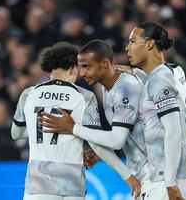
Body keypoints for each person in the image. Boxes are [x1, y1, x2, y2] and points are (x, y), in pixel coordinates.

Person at [38, 39, 147, 199]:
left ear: (104, 63)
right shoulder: (105, 88)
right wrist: (98, 153)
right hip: (142, 169)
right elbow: (123, 134)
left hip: (157, 170)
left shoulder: (126, 87)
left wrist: (73, 128)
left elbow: (116, 140)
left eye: (87, 66)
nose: (82, 73)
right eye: (80, 67)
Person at [10, 42, 103, 200]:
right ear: (74, 68)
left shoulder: (28, 94)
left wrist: (39, 126)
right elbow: (95, 139)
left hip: (39, 182)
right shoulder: (85, 97)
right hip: (72, 181)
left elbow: (16, 133)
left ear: (49, 69)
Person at [125, 21, 186, 200]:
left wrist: (170, 182)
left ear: (150, 44)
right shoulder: (174, 71)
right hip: (180, 171)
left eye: (133, 41)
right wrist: (138, 74)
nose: (128, 48)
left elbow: (173, 129)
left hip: (169, 175)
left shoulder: (159, 79)